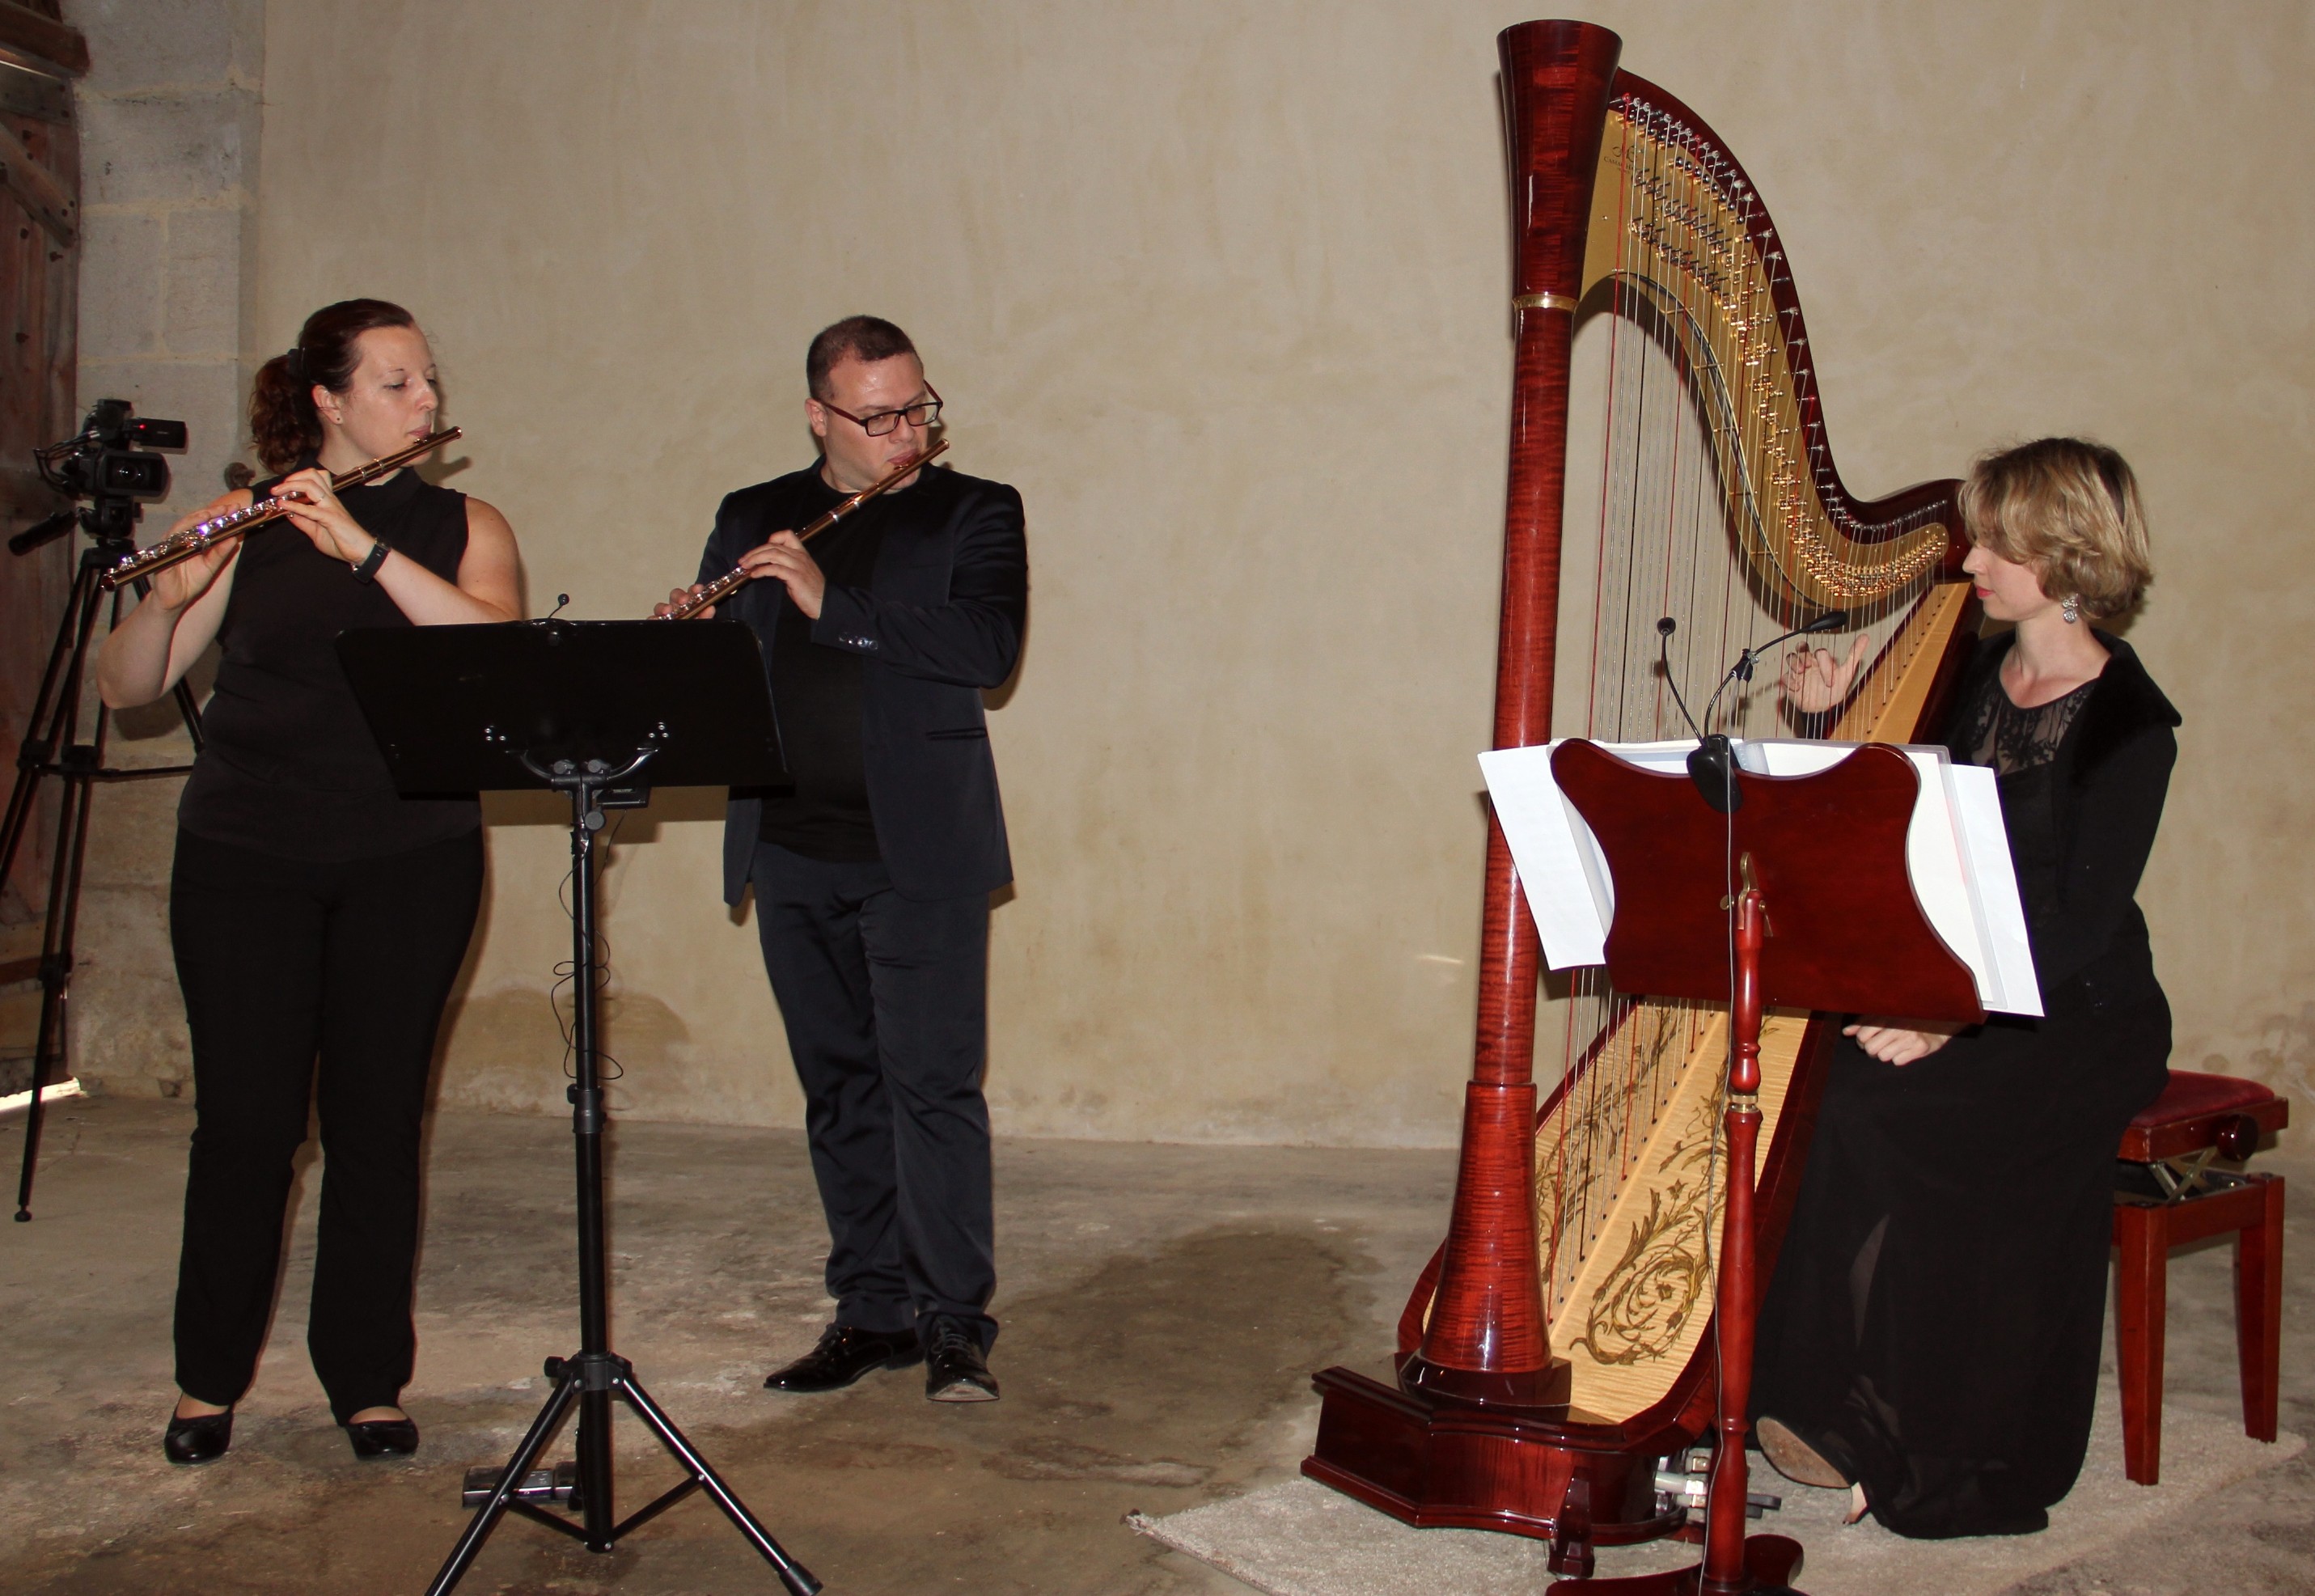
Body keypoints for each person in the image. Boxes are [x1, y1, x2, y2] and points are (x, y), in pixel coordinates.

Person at [97, 298, 521, 1465]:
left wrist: (367, 550)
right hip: (245, 857)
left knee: (378, 1122)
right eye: (397, 383)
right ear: (327, 400)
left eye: (428, 380)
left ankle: (366, 1378)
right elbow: (125, 689)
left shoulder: (462, 522)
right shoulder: (253, 522)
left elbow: (488, 661)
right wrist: (171, 593)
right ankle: (206, 1378)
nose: (427, 400)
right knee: (244, 1124)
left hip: (410, 861)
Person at [1751, 437, 2177, 1537]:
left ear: (2066, 552)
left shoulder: (2132, 724)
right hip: (1956, 974)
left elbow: (2079, 923)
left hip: (2072, 1008)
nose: (1970, 558)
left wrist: (1952, 1012)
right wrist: (1829, 716)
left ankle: (1911, 1431)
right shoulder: (1971, 671)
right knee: (1826, 1092)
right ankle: (1816, 1399)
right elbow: (1890, 816)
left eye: (1995, 541)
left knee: (1902, 1116)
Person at [657, 315, 1026, 1403]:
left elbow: (986, 648)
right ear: (819, 414)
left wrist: (833, 602)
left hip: (920, 850)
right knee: (840, 1090)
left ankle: (955, 1320)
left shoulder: (975, 510)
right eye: (876, 418)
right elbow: (732, 672)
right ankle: (871, 1310)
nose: (905, 434)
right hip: (790, 845)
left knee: (933, 1090)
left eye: (918, 409)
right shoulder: (753, 513)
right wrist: (689, 642)